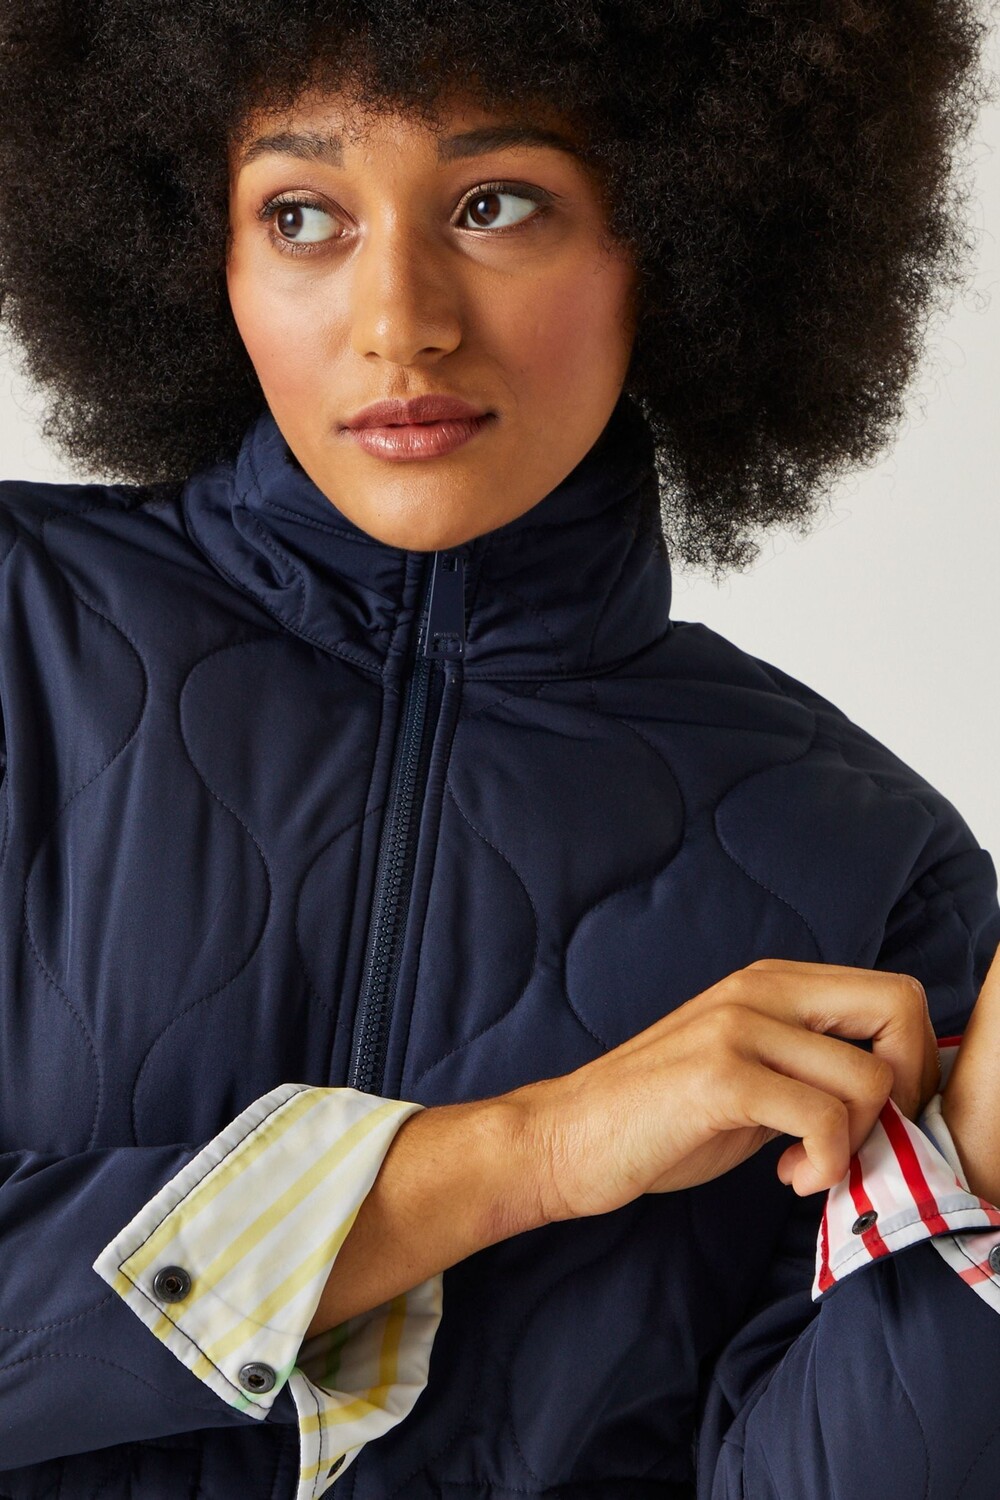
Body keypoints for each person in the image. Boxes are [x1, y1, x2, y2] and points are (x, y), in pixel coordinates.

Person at [0, 3, 997, 1498]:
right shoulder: (17, 624)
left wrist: (984, 1167)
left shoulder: (865, 860)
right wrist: (525, 1155)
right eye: (303, 214)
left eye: (494, 204)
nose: (399, 319)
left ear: (677, 231)